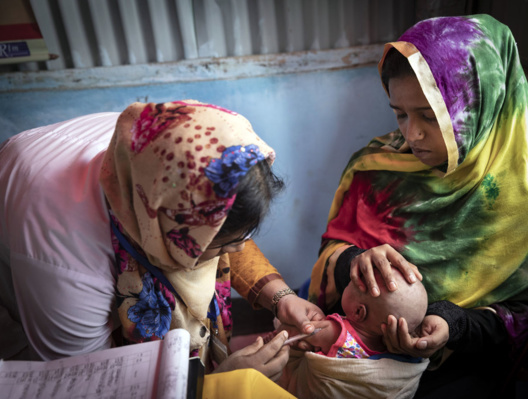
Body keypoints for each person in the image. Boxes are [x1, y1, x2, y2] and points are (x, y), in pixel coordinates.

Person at [305, 14, 528, 397]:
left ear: (480, 104)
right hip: (351, 331)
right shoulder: (378, 168)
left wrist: (455, 325)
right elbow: (330, 253)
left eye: (430, 116)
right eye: (400, 113)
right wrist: (355, 262)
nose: (411, 135)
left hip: (459, 360)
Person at [0, 100, 323, 393]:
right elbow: (89, 385)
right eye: (225, 244)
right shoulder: (68, 270)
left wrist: (281, 296)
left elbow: (223, 226)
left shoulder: (165, 150)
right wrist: (218, 384)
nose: (237, 251)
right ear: (171, 232)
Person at [276, 268, 430, 398]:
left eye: (351, 284)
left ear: (358, 311)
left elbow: (295, 332)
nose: (349, 280)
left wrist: (280, 331)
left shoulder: (335, 332)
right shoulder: (403, 354)